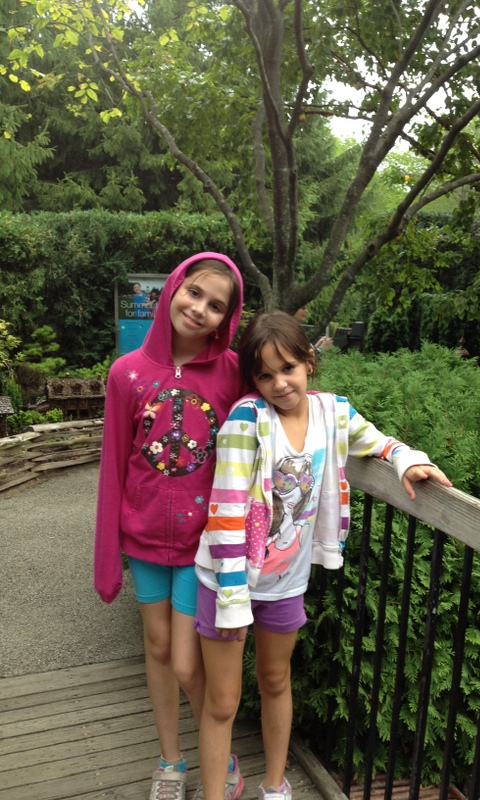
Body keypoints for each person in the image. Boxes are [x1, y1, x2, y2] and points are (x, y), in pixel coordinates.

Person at [193, 311, 452, 800]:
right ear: (253, 380)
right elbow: (225, 512)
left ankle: (275, 787)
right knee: (223, 702)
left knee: (275, 680)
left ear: (309, 362)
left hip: (285, 582)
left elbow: (378, 442)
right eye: (265, 375)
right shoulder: (247, 421)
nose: (279, 383)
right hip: (228, 581)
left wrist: (406, 460)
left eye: (288, 368)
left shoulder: (334, 412)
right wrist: (232, 597)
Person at [94, 253, 247, 800]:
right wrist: (107, 558)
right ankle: (170, 761)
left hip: (203, 545)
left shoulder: (233, 373)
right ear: (174, 287)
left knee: (186, 663)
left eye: (216, 305)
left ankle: (219, 755)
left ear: (227, 318)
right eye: (194, 292)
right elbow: (113, 465)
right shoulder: (127, 372)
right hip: (142, 539)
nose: (200, 308)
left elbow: (288, 400)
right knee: (157, 647)